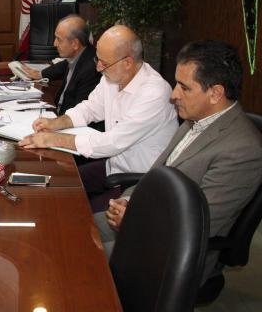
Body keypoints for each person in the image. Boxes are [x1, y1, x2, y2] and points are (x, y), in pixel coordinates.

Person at [96, 39, 262, 289]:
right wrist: (128, 201)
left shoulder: (243, 150)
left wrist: (135, 220)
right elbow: (156, 174)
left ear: (216, 93)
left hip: (174, 255)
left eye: (184, 87)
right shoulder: (195, 119)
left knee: (84, 263)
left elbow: (199, 225)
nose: (173, 95)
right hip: (146, 219)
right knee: (76, 231)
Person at [19, 25, 177, 209]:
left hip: (139, 183)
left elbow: (112, 142)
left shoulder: (154, 93)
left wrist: (53, 139)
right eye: (97, 59)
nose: (98, 67)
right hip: (113, 166)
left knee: (77, 212)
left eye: (104, 63)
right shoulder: (112, 76)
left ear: (127, 62)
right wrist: (55, 123)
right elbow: (90, 108)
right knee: (56, 186)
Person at [20, 15, 100, 115]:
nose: (54, 44)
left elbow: (80, 114)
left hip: (68, 118)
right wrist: (40, 74)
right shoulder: (79, 54)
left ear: (75, 44)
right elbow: (62, 66)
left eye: (59, 39)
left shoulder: (91, 70)